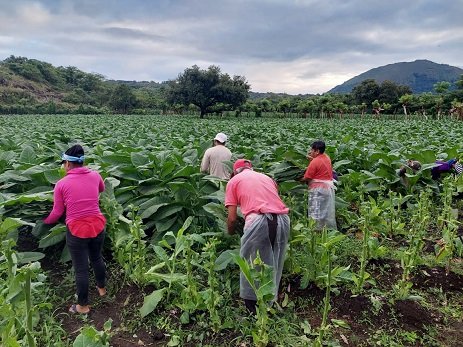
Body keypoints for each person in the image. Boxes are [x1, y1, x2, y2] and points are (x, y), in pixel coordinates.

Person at [44, 144, 107, 314]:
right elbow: (102, 189)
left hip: (77, 230)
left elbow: (57, 212)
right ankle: (102, 289)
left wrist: (46, 221)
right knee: (96, 258)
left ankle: (83, 306)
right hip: (98, 224)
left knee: (81, 268)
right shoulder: (95, 175)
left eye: (64, 163)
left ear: (68, 164)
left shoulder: (61, 184)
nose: (63, 166)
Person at [225, 159, 290, 314]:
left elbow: (232, 218)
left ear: (235, 172)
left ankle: (252, 311)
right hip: (283, 220)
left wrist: (230, 233)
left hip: (258, 220)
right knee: (274, 260)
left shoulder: (233, 181)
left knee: (251, 264)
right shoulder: (267, 178)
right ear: (251, 169)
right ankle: (270, 303)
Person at [301, 140, 337, 230]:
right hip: (327, 189)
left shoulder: (315, 162)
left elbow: (307, 178)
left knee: (316, 212)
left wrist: (298, 180)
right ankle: (327, 229)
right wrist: (312, 159)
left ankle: (316, 232)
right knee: (325, 211)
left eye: (312, 150)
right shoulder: (326, 157)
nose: (310, 152)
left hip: (318, 190)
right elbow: (320, 163)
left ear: (317, 151)